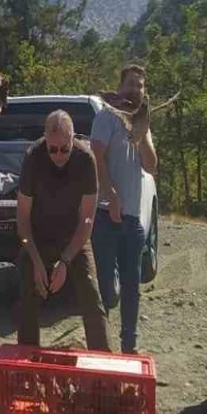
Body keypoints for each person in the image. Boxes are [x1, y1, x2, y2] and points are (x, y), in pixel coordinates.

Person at [16, 110, 110, 351]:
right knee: (27, 296)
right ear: (45, 141)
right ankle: (27, 363)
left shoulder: (86, 160)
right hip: (37, 236)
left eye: (64, 149)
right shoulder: (33, 158)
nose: (58, 155)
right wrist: (37, 261)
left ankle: (103, 363)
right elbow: (23, 218)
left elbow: (87, 219)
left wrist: (65, 261)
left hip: (73, 236)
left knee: (91, 296)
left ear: (72, 139)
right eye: (52, 149)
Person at [90, 63, 159, 354]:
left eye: (139, 86)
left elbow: (152, 166)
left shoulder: (143, 121)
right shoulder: (107, 116)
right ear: (120, 86)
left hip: (132, 219)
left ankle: (129, 347)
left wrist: (141, 136)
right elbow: (96, 155)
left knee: (133, 287)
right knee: (108, 290)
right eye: (130, 84)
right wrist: (111, 194)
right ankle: (102, 347)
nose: (134, 90)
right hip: (106, 215)